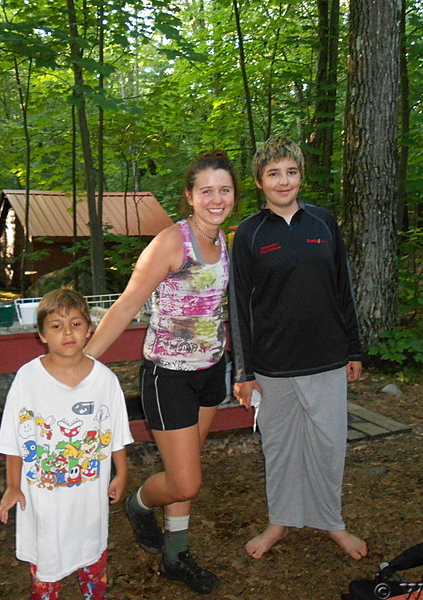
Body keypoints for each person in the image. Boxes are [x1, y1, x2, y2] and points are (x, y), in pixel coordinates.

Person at [83, 150, 239, 594]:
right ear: (189, 196)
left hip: (212, 370)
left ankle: (175, 556)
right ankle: (137, 503)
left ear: (233, 196)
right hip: (167, 375)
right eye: (206, 190)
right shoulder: (172, 242)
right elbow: (128, 304)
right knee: (185, 480)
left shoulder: (224, 239)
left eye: (223, 190)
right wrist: (85, 361)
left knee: (183, 472)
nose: (215, 198)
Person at [229, 136, 368, 562]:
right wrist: (244, 372)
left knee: (329, 444)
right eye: (273, 174)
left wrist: (354, 349)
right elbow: (238, 307)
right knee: (280, 445)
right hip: (273, 364)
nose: (283, 181)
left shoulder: (323, 223)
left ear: (301, 175)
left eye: (290, 172)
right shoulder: (249, 234)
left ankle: (332, 521)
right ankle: (280, 520)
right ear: (259, 182)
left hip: (327, 358)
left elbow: (343, 289)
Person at [0, 288, 133, 600]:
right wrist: (12, 485)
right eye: (56, 326)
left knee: (93, 563)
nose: (67, 332)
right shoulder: (27, 380)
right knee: (46, 571)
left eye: (76, 324)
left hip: (89, 500)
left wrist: (122, 472)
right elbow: (14, 439)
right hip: (44, 503)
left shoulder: (105, 380)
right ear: (41, 334)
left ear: (89, 329)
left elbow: (116, 431)